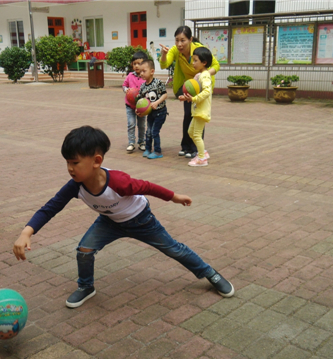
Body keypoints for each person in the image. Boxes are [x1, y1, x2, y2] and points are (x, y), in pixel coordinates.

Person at [13, 126, 234, 308]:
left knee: (174, 249)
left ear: (96, 161)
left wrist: (174, 197)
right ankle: (86, 286)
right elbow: (50, 208)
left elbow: (147, 187)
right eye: (67, 163)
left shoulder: (118, 182)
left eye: (75, 163)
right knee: (84, 250)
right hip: (109, 222)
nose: (70, 168)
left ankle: (210, 273)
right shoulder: (75, 186)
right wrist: (26, 232)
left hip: (141, 220)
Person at [159, 26, 220, 159]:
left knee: (198, 115)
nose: (179, 44)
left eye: (183, 40)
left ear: (190, 39)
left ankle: (196, 149)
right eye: (177, 40)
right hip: (188, 86)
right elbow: (164, 64)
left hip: (201, 86)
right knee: (188, 114)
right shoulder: (175, 50)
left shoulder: (199, 50)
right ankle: (185, 146)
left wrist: (203, 74)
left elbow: (216, 65)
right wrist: (163, 54)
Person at [180, 47, 213, 168]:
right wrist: (186, 97)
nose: (193, 63)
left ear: (204, 62)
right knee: (190, 132)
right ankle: (203, 152)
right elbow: (196, 91)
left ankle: (202, 158)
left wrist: (193, 99)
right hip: (197, 110)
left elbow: (207, 92)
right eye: (192, 60)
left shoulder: (205, 76)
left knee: (197, 135)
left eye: (195, 60)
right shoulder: (200, 75)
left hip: (201, 111)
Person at [135, 59, 168, 160]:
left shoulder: (158, 83)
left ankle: (157, 151)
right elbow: (141, 101)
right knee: (148, 132)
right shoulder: (143, 86)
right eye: (140, 71)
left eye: (144, 71)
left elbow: (165, 95)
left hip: (160, 112)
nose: (141, 73)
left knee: (154, 131)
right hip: (151, 113)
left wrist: (157, 102)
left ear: (152, 71)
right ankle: (148, 149)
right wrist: (139, 110)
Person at [122, 51, 147, 153]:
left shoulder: (145, 77)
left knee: (141, 125)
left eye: (139, 63)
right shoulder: (130, 76)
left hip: (142, 106)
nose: (136, 66)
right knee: (131, 124)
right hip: (130, 105)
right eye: (135, 63)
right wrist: (126, 90)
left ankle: (142, 142)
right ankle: (131, 143)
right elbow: (124, 85)